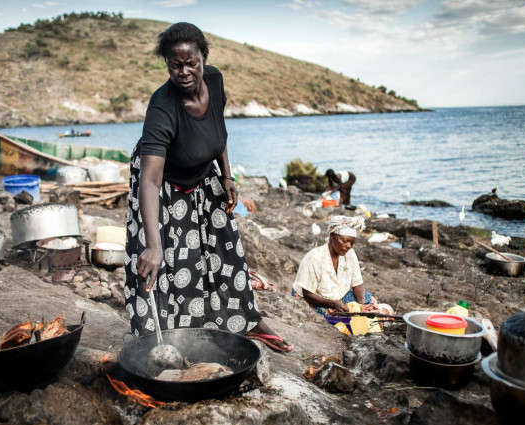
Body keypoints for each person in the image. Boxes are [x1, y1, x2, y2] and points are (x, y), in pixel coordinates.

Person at [124, 22, 292, 352]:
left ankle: (247, 319)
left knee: (226, 247)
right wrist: (154, 244)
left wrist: (227, 175)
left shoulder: (214, 79)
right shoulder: (162, 108)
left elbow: (218, 128)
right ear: (167, 64)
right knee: (167, 259)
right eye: (175, 64)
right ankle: (162, 338)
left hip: (202, 172)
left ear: (204, 57)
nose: (184, 71)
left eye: (191, 63)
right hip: (162, 186)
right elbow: (150, 180)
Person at [292, 215, 379, 314]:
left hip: (338, 299)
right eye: (344, 241)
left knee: (369, 299)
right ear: (332, 236)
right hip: (314, 299)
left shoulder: (350, 254)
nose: (348, 246)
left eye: (352, 243)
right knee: (327, 314)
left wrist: (361, 305)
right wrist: (333, 304)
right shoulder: (315, 257)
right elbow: (307, 293)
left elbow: (357, 284)